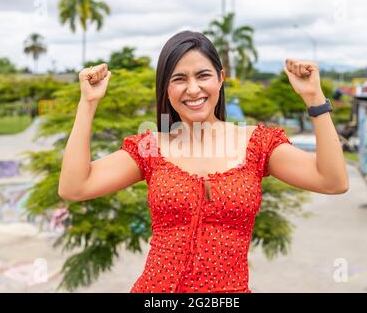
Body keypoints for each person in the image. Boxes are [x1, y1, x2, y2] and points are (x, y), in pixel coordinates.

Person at [58, 31, 348, 293]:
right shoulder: (151, 147)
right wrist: (88, 104)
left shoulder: (257, 144)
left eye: (203, 75)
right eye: (179, 79)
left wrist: (314, 97)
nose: (193, 89)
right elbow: (75, 187)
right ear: (166, 89)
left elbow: (332, 181)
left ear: (220, 78)